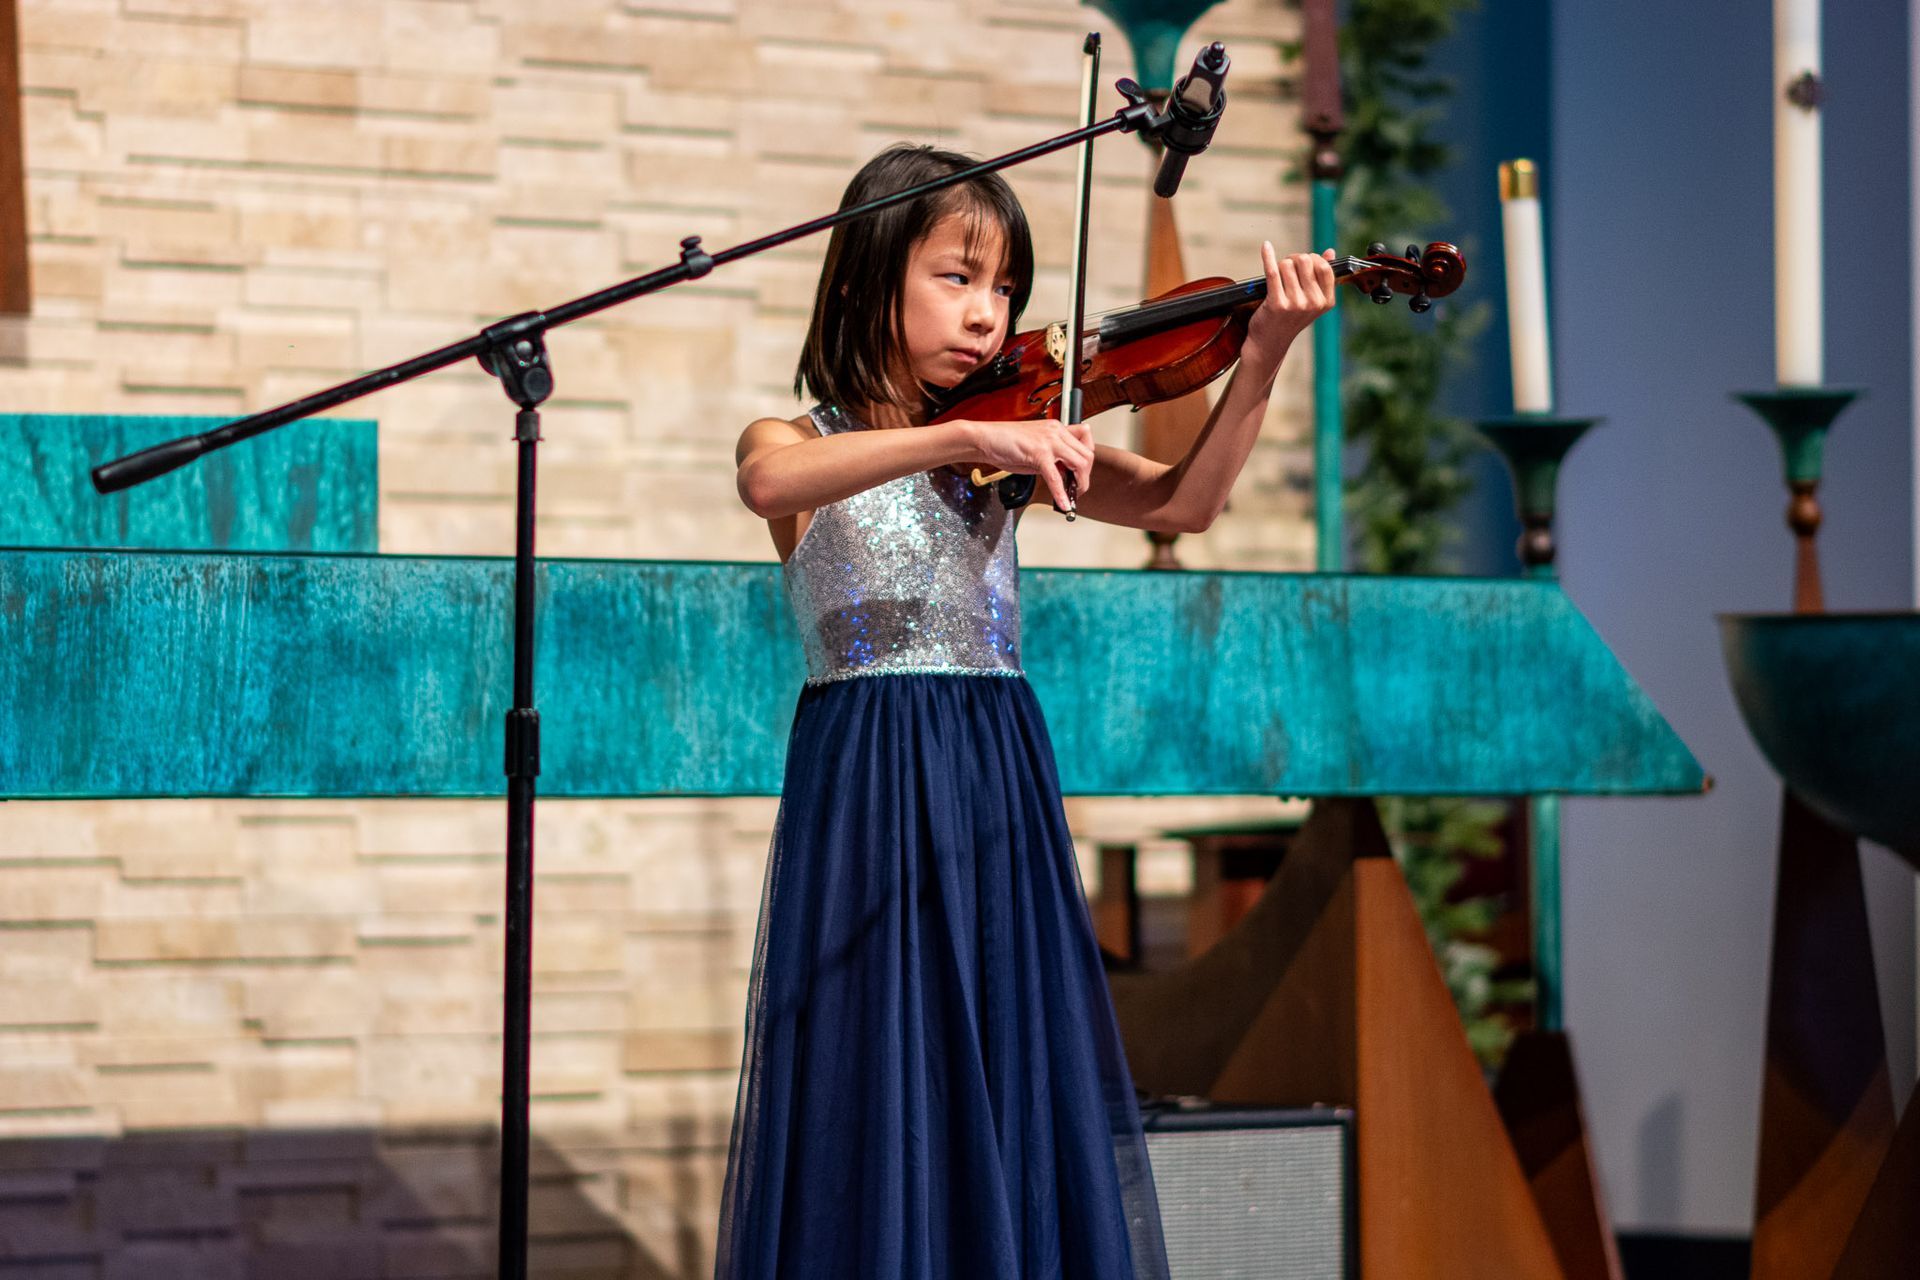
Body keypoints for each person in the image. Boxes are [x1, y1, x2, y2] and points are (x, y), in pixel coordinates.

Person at [714, 143, 1335, 1279]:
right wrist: (969, 435)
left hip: (994, 770)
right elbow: (766, 486)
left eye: (1004, 289)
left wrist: (1264, 355)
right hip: (871, 782)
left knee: (1004, 1063)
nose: (988, 314)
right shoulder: (799, 440)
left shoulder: (1011, 447)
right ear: (864, 281)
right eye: (957, 277)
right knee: (879, 1069)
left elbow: (1188, 504)